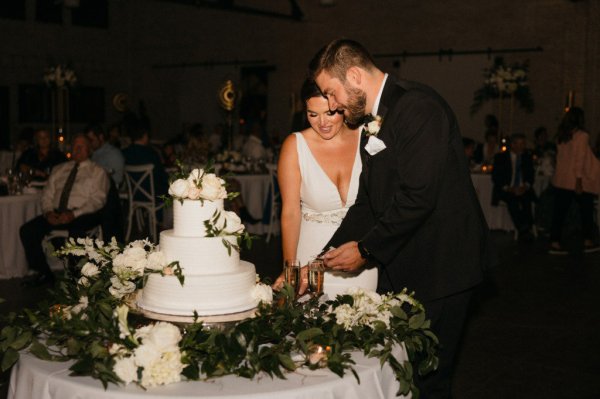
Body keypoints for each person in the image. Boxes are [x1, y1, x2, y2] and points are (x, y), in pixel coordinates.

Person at [311, 39, 491, 399]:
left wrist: (364, 249)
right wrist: (320, 259)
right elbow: (367, 203)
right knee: (400, 372)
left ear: (355, 76)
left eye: (331, 93)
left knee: (428, 379)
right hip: (409, 264)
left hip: (443, 267)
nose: (332, 106)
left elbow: (418, 197)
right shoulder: (374, 120)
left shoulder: (418, 108)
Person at [273, 78, 377, 297]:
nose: (322, 123)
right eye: (313, 114)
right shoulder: (295, 146)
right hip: (310, 259)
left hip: (358, 256)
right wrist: (290, 268)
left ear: (341, 105)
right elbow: (290, 212)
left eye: (329, 113)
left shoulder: (367, 138)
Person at [19, 134, 109, 286]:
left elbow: (98, 200)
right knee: (28, 230)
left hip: (83, 213)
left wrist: (74, 214)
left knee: (77, 230)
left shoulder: (97, 172)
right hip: (57, 212)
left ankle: (76, 275)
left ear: (89, 150)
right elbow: (47, 194)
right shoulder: (59, 169)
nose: (77, 149)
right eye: (74, 146)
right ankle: (44, 273)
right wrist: (48, 212)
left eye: (81, 146)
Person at [549, 107, 600, 254]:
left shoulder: (561, 135)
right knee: (586, 211)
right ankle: (588, 240)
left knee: (559, 212)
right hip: (576, 179)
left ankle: (555, 241)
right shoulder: (582, 136)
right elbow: (580, 159)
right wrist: (578, 180)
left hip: (561, 179)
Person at [491, 133, 536, 240]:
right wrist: (510, 188)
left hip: (522, 188)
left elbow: (530, 176)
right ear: (513, 145)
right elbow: (496, 177)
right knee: (512, 200)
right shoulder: (501, 157)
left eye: (523, 144)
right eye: (519, 144)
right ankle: (523, 228)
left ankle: (527, 226)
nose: (522, 146)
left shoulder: (527, 157)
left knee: (526, 199)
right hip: (507, 189)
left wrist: (524, 186)